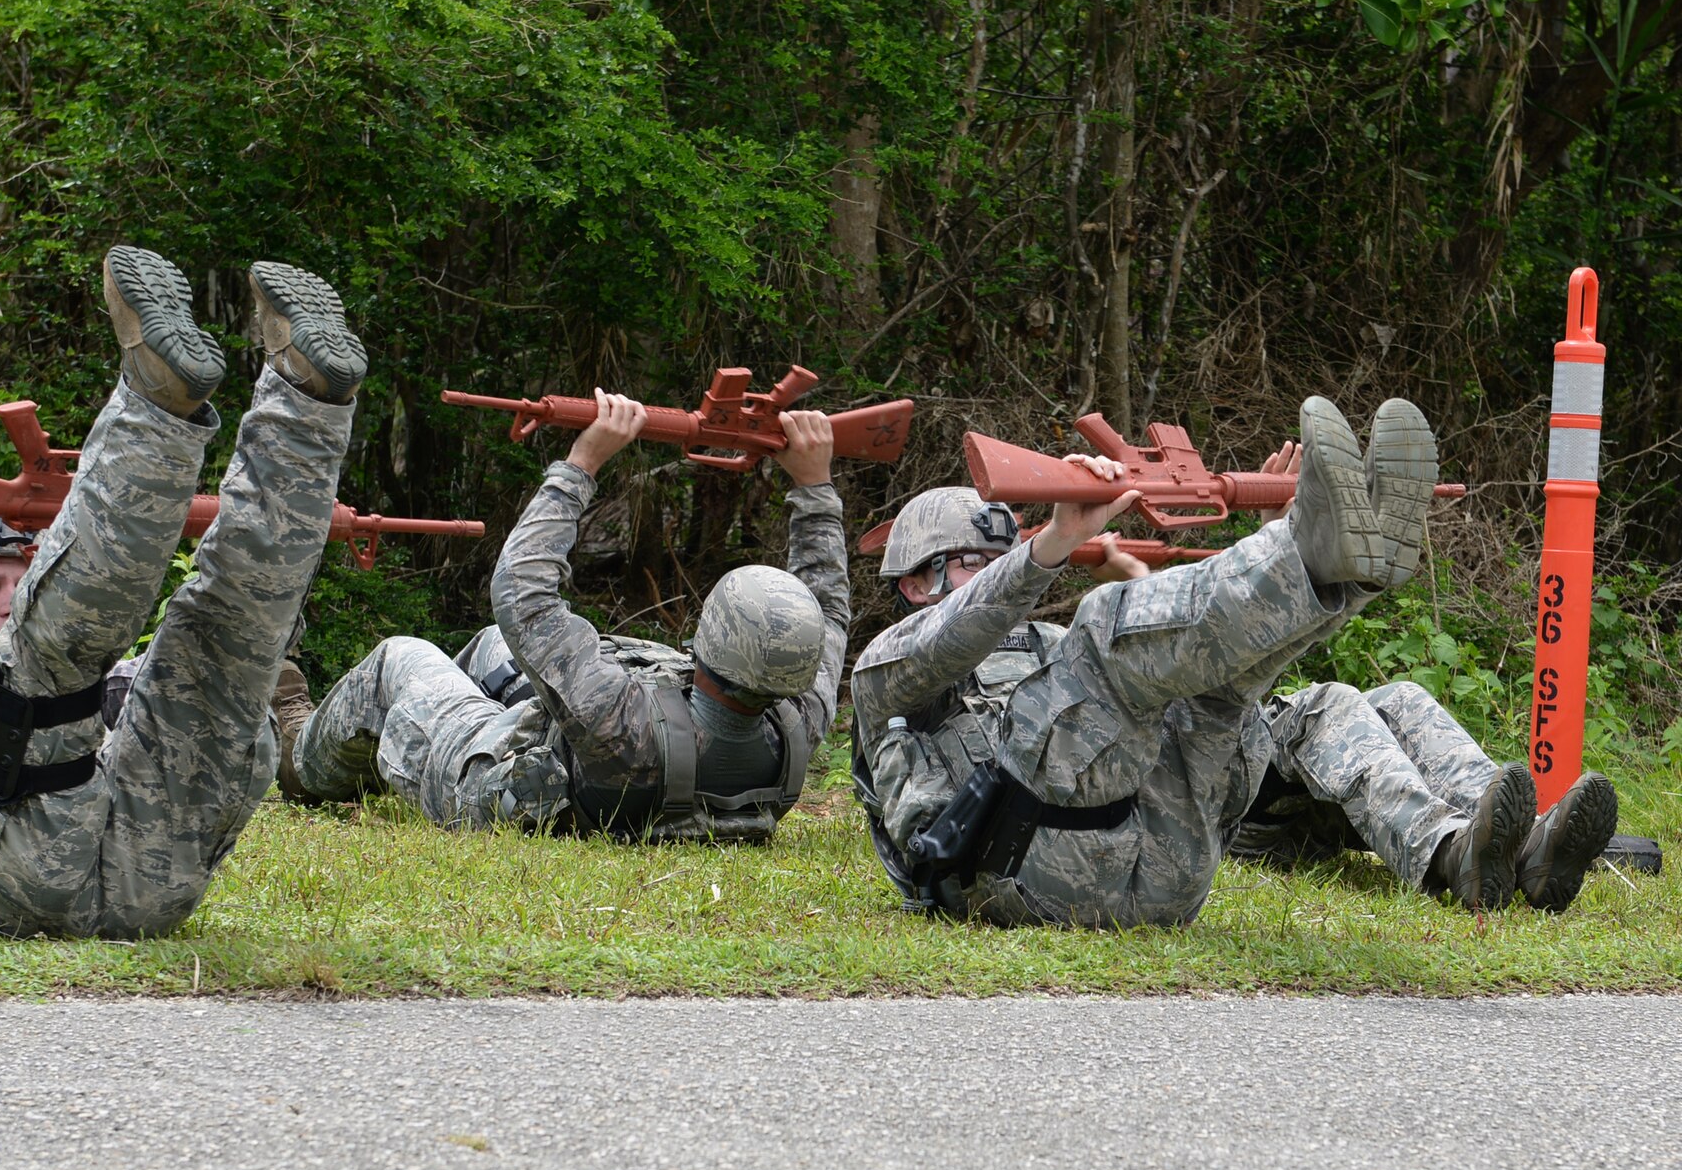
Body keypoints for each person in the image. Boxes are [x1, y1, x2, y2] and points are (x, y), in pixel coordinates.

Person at [0, 246, 367, 936]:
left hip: (149, 886)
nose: (11, 599)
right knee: (51, 655)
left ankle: (306, 398)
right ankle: (158, 404)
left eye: (22, 579)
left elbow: (215, 677)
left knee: (222, 658)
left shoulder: (94, 673)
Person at [850, 396, 1458, 928]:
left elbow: (1169, 649)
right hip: (1014, 869)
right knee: (1104, 622)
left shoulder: (1049, 649)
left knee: (1214, 683)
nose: (992, 571)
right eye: (969, 560)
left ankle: (1337, 570)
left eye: (998, 556)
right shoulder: (885, 675)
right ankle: (1308, 559)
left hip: (1169, 872)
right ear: (914, 582)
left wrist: (1264, 539)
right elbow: (955, 634)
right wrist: (1050, 546)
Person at [284, 389, 849, 842]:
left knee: (399, 659)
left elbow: (522, 591)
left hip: (491, 791)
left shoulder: (618, 717)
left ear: (706, 640)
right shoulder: (800, 718)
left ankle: (298, 757)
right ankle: (425, 729)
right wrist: (814, 485)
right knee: (490, 645)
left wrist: (582, 463)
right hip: (604, 767)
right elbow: (830, 611)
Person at [1233, 683, 1618, 913]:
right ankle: (1449, 849)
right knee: (1323, 707)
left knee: (1401, 698)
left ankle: (1529, 848)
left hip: (1281, 813)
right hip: (1232, 803)